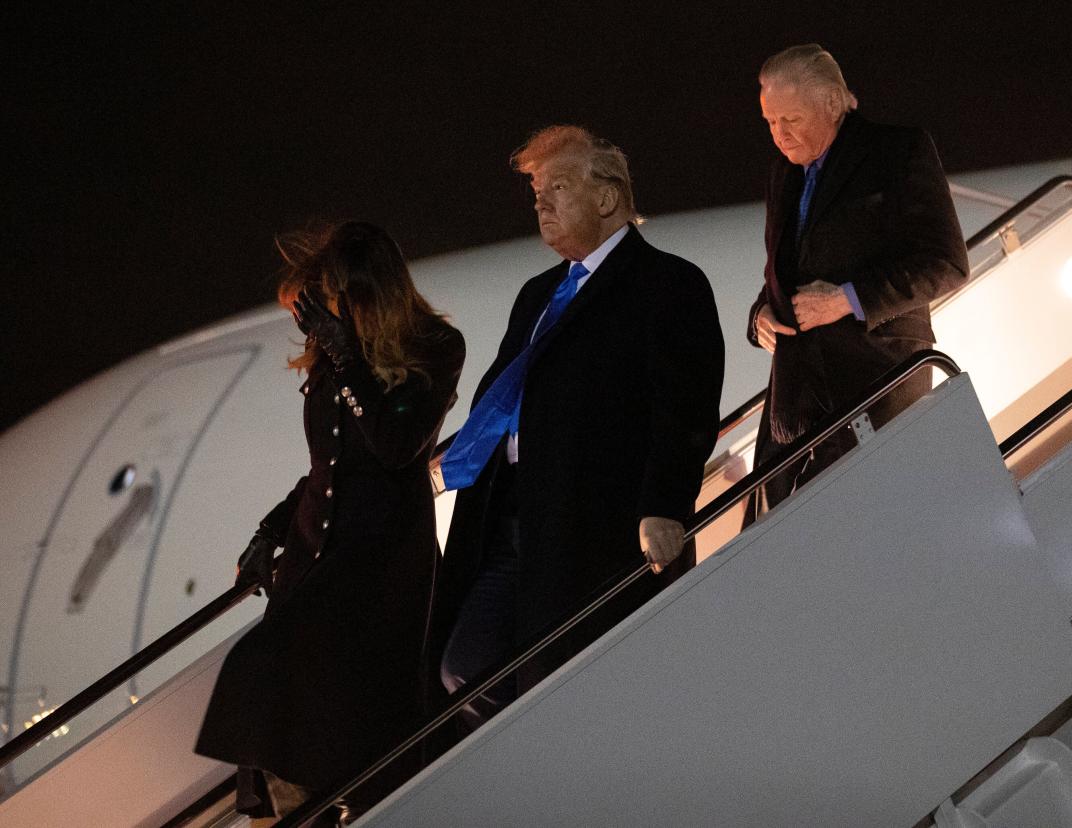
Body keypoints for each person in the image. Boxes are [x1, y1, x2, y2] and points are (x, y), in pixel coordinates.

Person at [433, 125, 725, 729]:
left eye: (557, 187)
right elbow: (504, 393)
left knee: (575, 682)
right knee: (466, 666)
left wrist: (665, 503)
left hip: (597, 526)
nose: (541, 203)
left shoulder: (668, 283)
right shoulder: (537, 293)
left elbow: (686, 407)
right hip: (513, 520)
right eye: (537, 192)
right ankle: (541, 766)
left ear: (607, 196)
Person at [194, 222, 465, 825]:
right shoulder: (334, 362)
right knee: (267, 690)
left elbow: (396, 445)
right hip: (316, 551)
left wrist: (347, 359)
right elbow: (325, 465)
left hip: (379, 561)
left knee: (348, 711)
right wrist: (271, 530)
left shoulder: (435, 347)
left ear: (365, 292)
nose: (316, 322)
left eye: (326, 304)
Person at [747, 44, 969, 516]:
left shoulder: (897, 150)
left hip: (876, 383)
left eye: (791, 119)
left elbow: (947, 262)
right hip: (794, 401)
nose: (779, 135)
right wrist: (762, 312)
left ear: (831, 103)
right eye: (770, 122)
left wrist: (848, 300)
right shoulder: (783, 174)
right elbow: (787, 268)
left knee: (874, 534)